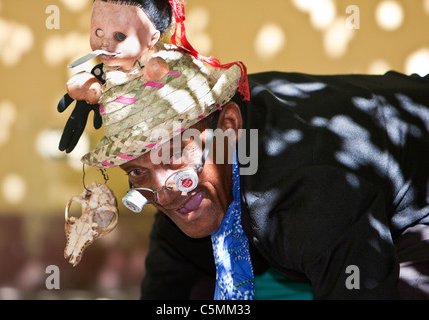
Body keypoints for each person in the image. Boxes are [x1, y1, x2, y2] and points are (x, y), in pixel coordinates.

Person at [58, 0, 429, 300]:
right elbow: (167, 290)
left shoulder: (308, 196)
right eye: (137, 170)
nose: (164, 190)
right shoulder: (180, 190)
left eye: (172, 150)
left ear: (229, 127)